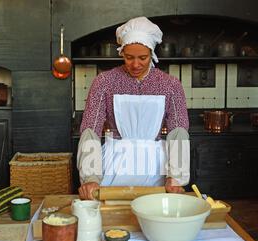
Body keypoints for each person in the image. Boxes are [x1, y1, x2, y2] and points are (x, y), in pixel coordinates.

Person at [77, 16, 190, 200]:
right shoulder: (104, 82)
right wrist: (90, 176)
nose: (135, 64)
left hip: (156, 168)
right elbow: (91, 129)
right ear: (121, 53)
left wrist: (176, 176)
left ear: (152, 53)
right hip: (114, 165)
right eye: (129, 57)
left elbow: (178, 130)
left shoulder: (170, 85)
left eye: (143, 58)